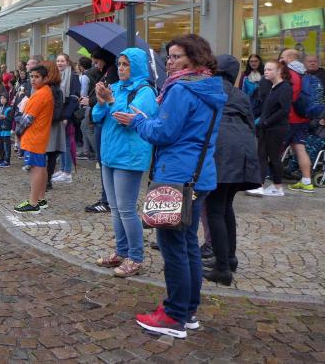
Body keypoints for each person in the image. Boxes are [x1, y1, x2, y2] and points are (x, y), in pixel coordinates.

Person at [115, 34, 226, 339]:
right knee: (187, 245)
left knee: (173, 247)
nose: (170, 62)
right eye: (169, 56)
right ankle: (187, 311)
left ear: (194, 58)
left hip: (176, 176)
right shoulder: (209, 86)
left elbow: (163, 132)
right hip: (199, 175)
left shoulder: (180, 88)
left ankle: (174, 315)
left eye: (177, 56)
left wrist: (137, 121)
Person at [92, 48, 158, 278]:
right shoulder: (116, 87)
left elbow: (126, 119)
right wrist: (101, 102)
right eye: (119, 64)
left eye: (126, 64)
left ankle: (136, 257)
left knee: (126, 209)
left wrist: (110, 101)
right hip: (110, 155)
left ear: (136, 66)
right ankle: (121, 252)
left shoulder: (145, 91)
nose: (120, 68)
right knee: (115, 208)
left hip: (129, 157)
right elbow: (96, 117)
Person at [203, 55, 263, 286]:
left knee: (215, 209)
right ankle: (229, 258)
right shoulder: (240, 94)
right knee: (226, 206)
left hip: (222, 150)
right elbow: (250, 122)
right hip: (243, 151)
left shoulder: (209, 89)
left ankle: (223, 268)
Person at [246, 60, 292, 198]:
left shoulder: (284, 87)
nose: (266, 72)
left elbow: (283, 110)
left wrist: (266, 122)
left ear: (279, 72)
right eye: (265, 69)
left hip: (275, 128)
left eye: (270, 69)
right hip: (267, 127)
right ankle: (275, 187)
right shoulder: (273, 87)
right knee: (266, 156)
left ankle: (262, 186)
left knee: (269, 156)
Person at [13, 63, 54, 213]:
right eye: (31, 76)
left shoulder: (41, 94)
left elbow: (28, 118)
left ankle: (33, 203)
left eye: (36, 77)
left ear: (45, 78)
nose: (33, 79)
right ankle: (40, 199)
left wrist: (18, 132)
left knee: (35, 169)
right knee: (41, 168)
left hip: (34, 137)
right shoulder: (45, 91)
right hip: (39, 136)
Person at [84, 48, 118, 214]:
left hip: (106, 123)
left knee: (105, 161)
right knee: (104, 162)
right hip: (101, 119)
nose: (95, 65)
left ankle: (107, 200)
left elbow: (105, 98)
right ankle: (107, 198)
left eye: (97, 62)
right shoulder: (106, 72)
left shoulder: (112, 73)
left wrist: (90, 101)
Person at [280, 49, 314, 192]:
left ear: (289, 57)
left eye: (282, 57)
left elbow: (285, 97)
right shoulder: (304, 73)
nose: (280, 59)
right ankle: (306, 182)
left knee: (273, 149)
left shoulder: (289, 74)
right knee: (300, 149)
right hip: (303, 118)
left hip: (289, 118)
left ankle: (267, 183)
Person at [52, 54, 80, 183]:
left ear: (68, 62)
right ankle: (62, 168)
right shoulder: (58, 76)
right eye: (58, 61)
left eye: (62, 61)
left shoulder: (73, 76)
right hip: (59, 114)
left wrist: (66, 116)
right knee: (61, 143)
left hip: (67, 114)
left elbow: (74, 98)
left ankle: (67, 172)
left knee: (67, 143)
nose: (59, 63)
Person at [44, 61, 65, 192]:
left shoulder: (54, 91)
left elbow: (57, 112)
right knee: (50, 154)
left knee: (49, 154)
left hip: (50, 126)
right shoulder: (54, 89)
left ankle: (46, 180)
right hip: (50, 126)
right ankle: (46, 180)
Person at [77, 57, 95, 160]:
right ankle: (86, 151)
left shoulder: (84, 76)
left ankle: (96, 153)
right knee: (84, 128)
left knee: (87, 129)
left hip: (87, 105)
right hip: (90, 105)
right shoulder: (91, 74)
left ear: (81, 66)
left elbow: (83, 93)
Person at [0, 94, 14, 168]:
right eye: (1, 98)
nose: (2, 100)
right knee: (1, 146)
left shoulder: (9, 108)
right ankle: (1, 159)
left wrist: (4, 117)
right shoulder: (0, 107)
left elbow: (11, 119)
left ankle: (7, 161)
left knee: (6, 146)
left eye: (4, 98)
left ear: (7, 99)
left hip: (6, 129)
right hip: (0, 129)